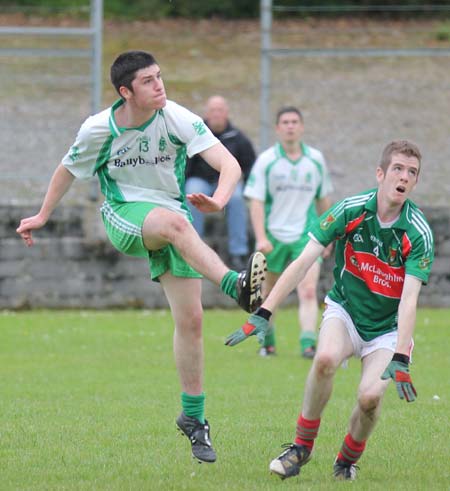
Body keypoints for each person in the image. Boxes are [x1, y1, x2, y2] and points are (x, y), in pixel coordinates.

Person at [16, 50, 267, 465]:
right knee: (175, 225)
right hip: (124, 213)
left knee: (192, 320)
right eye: (148, 81)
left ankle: (193, 417)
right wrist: (43, 215)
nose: (159, 85)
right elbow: (66, 170)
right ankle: (235, 286)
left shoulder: (176, 116)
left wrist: (220, 200)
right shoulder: (99, 128)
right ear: (125, 92)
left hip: (174, 217)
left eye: (160, 76)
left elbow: (228, 163)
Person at [225, 140, 434, 480]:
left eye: (412, 172)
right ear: (380, 174)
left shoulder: (418, 231)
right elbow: (303, 261)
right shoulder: (350, 210)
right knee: (324, 361)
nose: (404, 177)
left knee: (369, 398)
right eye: (397, 168)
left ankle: (346, 461)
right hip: (346, 311)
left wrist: (401, 356)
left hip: (388, 328)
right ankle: (300, 447)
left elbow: (409, 299)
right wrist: (264, 311)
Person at [244, 106, 333, 358]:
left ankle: (308, 344)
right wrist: (260, 237)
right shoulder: (267, 161)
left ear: (302, 127)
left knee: (307, 290)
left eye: (295, 121)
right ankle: (268, 342)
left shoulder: (315, 160)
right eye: (285, 122)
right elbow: (257, 202)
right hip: (273, 236)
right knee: (269, 293)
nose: (290, 126)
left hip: (306, 236)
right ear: (277, 128)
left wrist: (327, 236)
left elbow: (324, 201)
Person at [185, 95, 256, 271]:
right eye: (212, 110)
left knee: (237, 198)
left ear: (227, 113)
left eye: (220, 110)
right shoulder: (196, 134)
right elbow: (184, 164)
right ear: (206, 113)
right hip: (199, 180)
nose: (216, 114)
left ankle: (238, 253)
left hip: (225, 183)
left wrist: (251, 190)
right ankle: (194, 249)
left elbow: (249, 166)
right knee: (192, 191)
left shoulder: (238, 137)